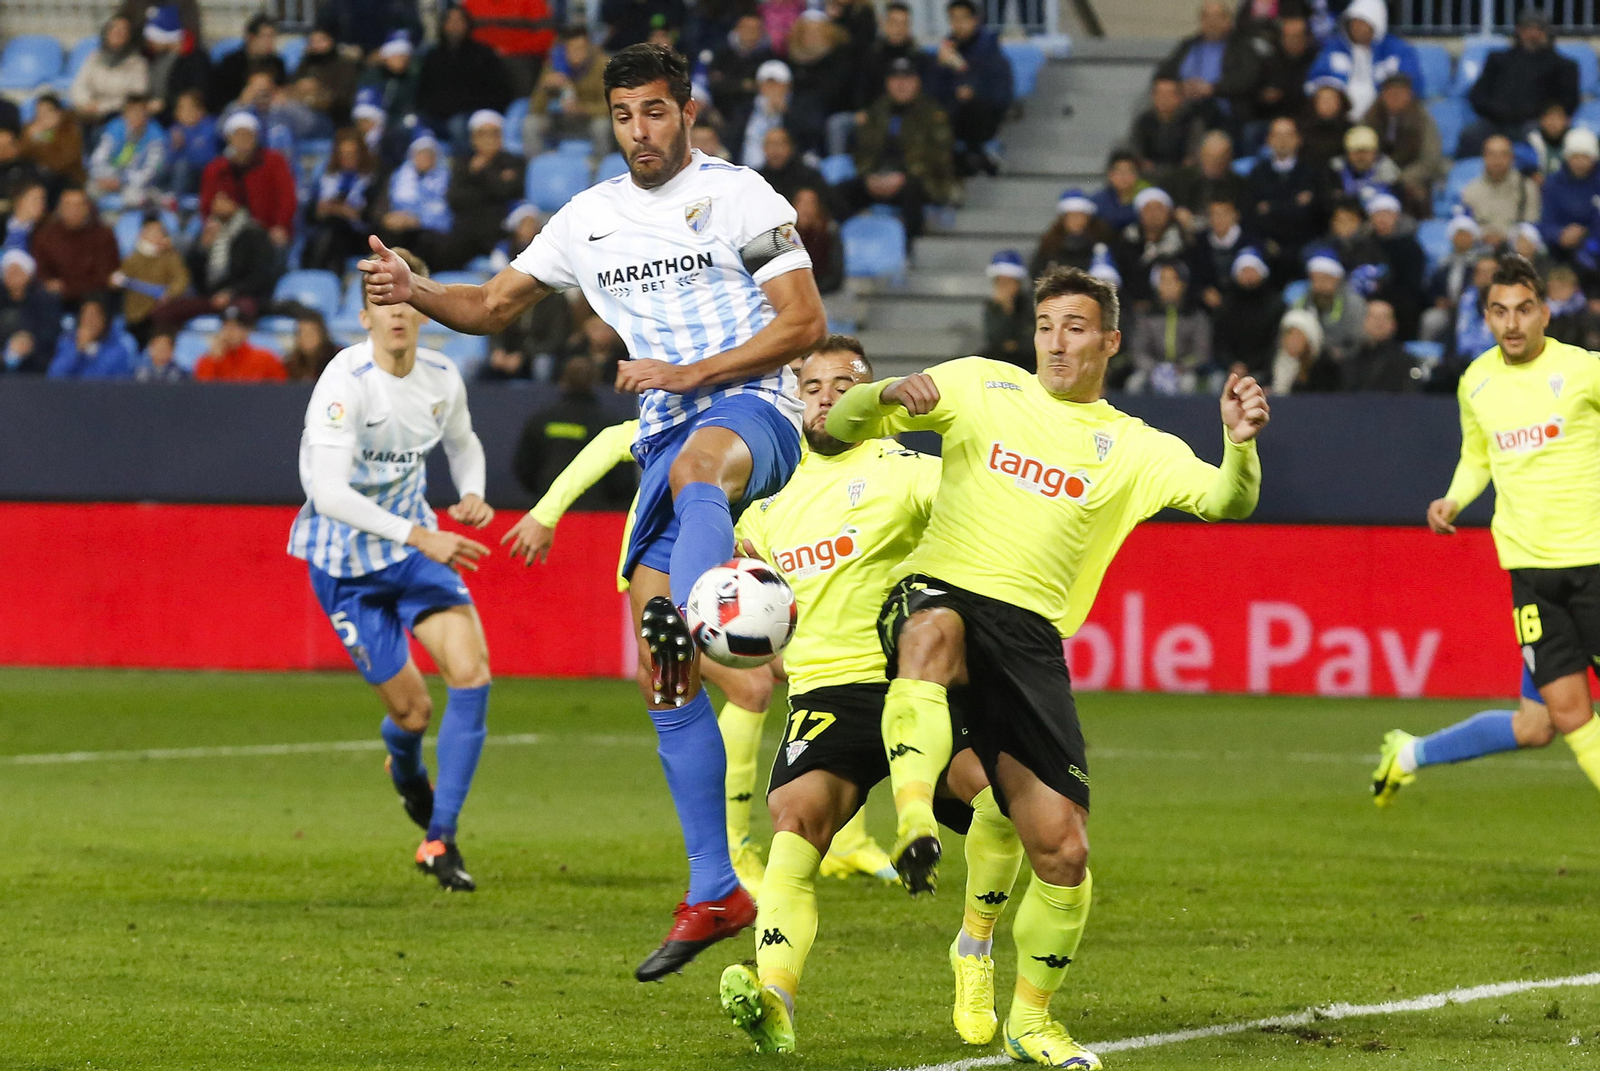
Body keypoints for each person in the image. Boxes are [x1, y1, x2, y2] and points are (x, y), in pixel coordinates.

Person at [364, 44, 826, 981]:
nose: (639, 131)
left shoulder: (741, 197)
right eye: (623, 115)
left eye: (655, 111)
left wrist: (688, 373)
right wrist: (418, 291)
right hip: (667, 437)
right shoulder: (588, 219)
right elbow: (493, 305)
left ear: (687, 112)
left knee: (699, 468)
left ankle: (715, 605)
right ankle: (714, 888)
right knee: (664, 673)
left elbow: (803, 324)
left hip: (753, 411)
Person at [823, 265, 1268, 1068]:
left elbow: (1227, 501)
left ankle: (1026, 1014)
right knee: (931, 633)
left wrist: (1239, 447)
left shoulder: (1134, 446)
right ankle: (914, 820)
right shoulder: (980, 385)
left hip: (1028, 643)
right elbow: (846, 423)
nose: (1057, 343)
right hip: (941, 588)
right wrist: (884, 392)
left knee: (1062, 850)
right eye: (1045, 326)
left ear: (1110, 341)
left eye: (1075, 327)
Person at [717, 338, 1024, 1055]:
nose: (825, 397)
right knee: (794, 824)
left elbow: (989, 511)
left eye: (843, 383)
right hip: (827, 691)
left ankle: (974, 945)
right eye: (812, 385)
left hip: (914, 683)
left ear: (869, 395)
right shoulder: (767, 497)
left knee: (999, 798)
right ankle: (775, 998)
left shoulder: (905, 470)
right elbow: (741, 585)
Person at [286, 244, 495, 890]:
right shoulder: (344, 383)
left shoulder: (442, 377)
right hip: (345, 565)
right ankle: (404, 768)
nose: (397, 311)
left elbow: (464, 442)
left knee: (472, 673)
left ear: (423, 309)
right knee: (413, 714)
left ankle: (440, 838)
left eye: (406, 298)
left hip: (412, 553)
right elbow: (328, 493)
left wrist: (472, 490)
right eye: (383, 300)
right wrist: (420, 534)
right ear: (365, 317)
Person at [1374, 254, 1600, 808]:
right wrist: (1454, 497)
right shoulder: (1476, 382)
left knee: (1537, 725)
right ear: (1486, 317)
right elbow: (1478, 455)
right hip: (1532, 574)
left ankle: (1409, 754)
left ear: (1544, 312)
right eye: (1500, 311)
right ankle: (1407, 754)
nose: (1512, 323)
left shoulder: (1584, 371)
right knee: (1555, 718)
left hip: (1593, 561)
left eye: (1524, 309)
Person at [842, 58, 956, 244]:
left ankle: (910, 245)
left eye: (907, 79)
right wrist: (869, 176)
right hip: (878, 178)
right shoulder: (877, 112)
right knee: (841, 191)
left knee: (912, 191)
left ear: (917, 82)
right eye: (895, 79)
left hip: (920, 180)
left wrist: (902, 177)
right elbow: (861, 150)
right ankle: (849, 243)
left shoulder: (933, 114)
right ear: (887, 83)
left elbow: (940, 158)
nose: (901, 85)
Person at [513, 356, 638, 506]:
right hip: (595, 509)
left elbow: (524, 466)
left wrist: (544, 493)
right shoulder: (608, 423)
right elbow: (622, 477)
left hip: (549, 505)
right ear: (594, 381)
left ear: (563, 380)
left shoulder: (542, 419)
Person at [1463, 8, 1579, 158]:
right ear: (1518, 31)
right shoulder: (1498, 60)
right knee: (1470, 135)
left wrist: (1543, 117)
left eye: (1539, 29)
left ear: (1547, 33)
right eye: (1527, 28)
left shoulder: (1563, 66)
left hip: (1535, 124)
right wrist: (1497, 112)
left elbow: (1567, 102)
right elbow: (1478, 95)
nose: (1533, 34)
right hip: (1495, 122)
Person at [156, 189, 278, 330]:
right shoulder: (209, 232)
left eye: (223, 200)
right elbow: (193, 276)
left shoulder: (254, 233)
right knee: (164, 311)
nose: (216, 205)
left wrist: (231, 293)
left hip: (243, 297)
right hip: (211, 298)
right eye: (215, 200)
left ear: (236, 203)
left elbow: (261, 276)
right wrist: (202, 248)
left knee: (242, 310)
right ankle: (166, 344)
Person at [1153, 0, 1266, 132]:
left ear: (1228, 20)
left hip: (1227, 112)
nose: (1212, 22)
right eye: (1207, 17)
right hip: (1185, 109)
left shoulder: (1242, 47)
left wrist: (1212, 88)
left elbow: (1248, 77)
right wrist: (1181, 87)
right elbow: (1164, 73)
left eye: (1217, 17)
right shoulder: (1188, 45)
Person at [928, 0, 1012, 177]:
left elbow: (1002, 95)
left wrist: (971, 87)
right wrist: (940, 67)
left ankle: (977, 154)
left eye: (963, 18)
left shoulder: (991, 53)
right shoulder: (945, 54)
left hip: (982, 119)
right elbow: (930, 93)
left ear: (975, 20)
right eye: (954, 19)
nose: (958, 24)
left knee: (972, 106)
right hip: (950, 119)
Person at [1304, 0, 1422, 121]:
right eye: (1354, 23)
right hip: (1341, 118)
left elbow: (1414, 85)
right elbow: (1315, 81)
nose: (1357, 28)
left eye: (1363, 23)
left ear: (1376, 24)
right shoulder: (1334, 48)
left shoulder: (1397, 50)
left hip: (1382, 118)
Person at [200, 112, 298, 251]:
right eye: (238, 135)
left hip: (267, 228)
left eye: (248, 135)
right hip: (230, 228)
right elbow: (208, 204)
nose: (243, 139)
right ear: (229, 138)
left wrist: (281, 225)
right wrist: (212, 220)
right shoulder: (216, 169)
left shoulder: (274, 162)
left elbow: (287, 197)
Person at [416, 5, 514, 140]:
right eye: (450, 21)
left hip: (473, 115)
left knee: (457, 125)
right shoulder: (433, 56)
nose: (455, 25)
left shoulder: (483, 54)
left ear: (467, 24)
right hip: (437, 116)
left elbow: (499, 93)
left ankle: (463, 155)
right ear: (443, 25)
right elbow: (423, 93)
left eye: (459, 21)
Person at [1248, 116, 1328, 277]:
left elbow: (1318, 213)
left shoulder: (1313, 172)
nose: (1283, 141)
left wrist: (1272, 207)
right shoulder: (1258, 173)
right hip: (1268, 245)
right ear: (1268, 140)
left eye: (1288, 135)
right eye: (1277, 135)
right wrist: (1296, 204)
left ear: (1298, 139)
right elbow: (1252, 214)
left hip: (1306, 244)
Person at [447, 112, 525, 268]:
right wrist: (491, 178)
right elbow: (454, 198)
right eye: (482, 134)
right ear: (473, 138)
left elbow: (507, 192)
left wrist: (482, 170)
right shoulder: (462, 163)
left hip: (499, 229)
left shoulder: (514, 162)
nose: (488, 139)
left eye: (494, 133)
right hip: (465, 231)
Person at [1361, 73, 1443, 219]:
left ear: (1409, 95)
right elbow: (1359, 146)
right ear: (1382, 95)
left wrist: (1400, 178)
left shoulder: (1422, 120)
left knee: (1416, 191)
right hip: (1373, 174)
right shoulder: (1370, 117)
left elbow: (1430, 159)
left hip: (1409, 175)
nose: (1395, 98)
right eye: (1390, 93)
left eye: (1400, 93)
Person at [525, 25, 611, 156]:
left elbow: (609, 106)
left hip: (589, 119)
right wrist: (545, 87)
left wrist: (583, 109)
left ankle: (601, 164)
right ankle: (537, 164)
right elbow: (534, 108)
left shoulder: (603, 65)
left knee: (601, 126)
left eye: (580, 49)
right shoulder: (554, 64)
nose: (575, 53)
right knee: (531, 124)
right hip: (561, 118)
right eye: (570, 49)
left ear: (589, 48)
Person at [1126, 260, 1211, 393]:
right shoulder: (1147, 315)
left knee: (1188, 384)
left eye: (1173, 280)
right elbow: (1138, 351)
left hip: (1185, 371)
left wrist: (1179, 368)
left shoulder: (1195, 316)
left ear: (1183, 284)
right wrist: (1156, 369)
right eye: (1163, 281)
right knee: (1134, 383)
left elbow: (1201, 353)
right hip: (1152, 370)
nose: (1168, 286)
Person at [29, 187, 120, 308]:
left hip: (93, 295)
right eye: (68, 205)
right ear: (60, 208)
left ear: (87, 208)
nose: (73, 210)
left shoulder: (104, 235)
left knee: (95, 303)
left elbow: (106, 276)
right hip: (57, 296)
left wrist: (69, 287)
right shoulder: (44, 236)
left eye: (78, 205)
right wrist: (48, 283)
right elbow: (40, 272)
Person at [304, 128, 377, 273]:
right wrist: (322, 209)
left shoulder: (373, 179)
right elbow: (309, 213)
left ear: (361, 154)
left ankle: (316, 272)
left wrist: (350, 213)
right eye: (343, 154)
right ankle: (316, 274)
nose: (347, 158)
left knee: (334, 228)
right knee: (328, 230)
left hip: (359, 236)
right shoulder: (326, 175)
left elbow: (373, 217)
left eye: (351, 154)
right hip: (326, 228)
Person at [377, 134, 454, 271]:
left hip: (432, 231)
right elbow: (382, 207)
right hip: (400, 228)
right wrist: (387, 217)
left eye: (429, 154)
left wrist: (417, 220)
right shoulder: (398, 177)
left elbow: (447, 214)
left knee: (424, 240)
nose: (424, 158)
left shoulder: (448, 180)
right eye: (420, 154)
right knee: (389, 237)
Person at [786, 10, 854, 160]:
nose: (812, 36)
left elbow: (837, 91)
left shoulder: (840, 58)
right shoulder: (791, 60)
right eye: (808, 32)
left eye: (817, 31)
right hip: (797, 110)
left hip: (830, 110)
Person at [111, 215, 189, 345]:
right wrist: (116, 280)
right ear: (142, 234)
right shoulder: (132, 258)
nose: (155, 236)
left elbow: (181, 279)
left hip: (160, 311)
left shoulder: (171, 257)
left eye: (158, 232)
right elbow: (117, 280)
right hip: (134, 313)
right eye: (150, 232)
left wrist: (170, 293)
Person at [1459, 134, 1542, 250]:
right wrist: (1483, 235)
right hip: (1481, 247)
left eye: (1503, 155)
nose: (1497, 160)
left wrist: (1506, 237)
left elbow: (1532, 224)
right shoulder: (1471, 190)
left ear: (1511, 158)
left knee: (1526, 243)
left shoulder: (1527, 187)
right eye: (1491, 154)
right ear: (1484, 157)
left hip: (1515, 247)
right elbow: (1466, 225)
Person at [459, 0, 556, 98]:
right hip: (480, 57)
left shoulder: (533, 2)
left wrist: (510, 50)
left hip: (521, 58)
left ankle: (522, 104)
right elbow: (460, 32)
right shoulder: (471, 3)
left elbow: (545, 37)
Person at [88, 94, 168, 209]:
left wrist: (122, 180)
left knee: (134, 199)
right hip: (109, 178)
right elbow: (98, 158)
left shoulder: (156, 135)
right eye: (131, 112)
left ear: (147, 114)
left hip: (137, 184)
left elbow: (151, 171)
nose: (135, 116)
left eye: (140, 112)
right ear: (125, 114)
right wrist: (105, 177)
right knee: (90, 191)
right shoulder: (115, 128)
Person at [1113, 186, 1188, 307]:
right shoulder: (1126, 242)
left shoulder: (1182, 242)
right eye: (1148, 209)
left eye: (1159, 208)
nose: (1153, 214)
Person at [72, 16, 151, 128]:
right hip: (90, 111)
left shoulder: (137, 64)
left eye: (123, 31)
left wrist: (102, 107)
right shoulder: (94, 58)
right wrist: (85, 102)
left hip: (118, 115)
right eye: (114, 29)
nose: (118, 33)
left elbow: (135, 97)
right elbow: (80, 85)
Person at [1367, 193, 1426, 341]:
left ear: (1396, 217)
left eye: (1387, 214)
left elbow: (1413, 282)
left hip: (1401, 300)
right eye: (1378, 214)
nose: (1382, 219)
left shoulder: (1410, 246)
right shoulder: (1363, 245)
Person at [1216, 247, 1283, 376]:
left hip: (1264, 369)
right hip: (1228, 368)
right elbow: (1220, 343)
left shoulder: (1275, 306)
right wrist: (1231, 364)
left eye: (1252, 271)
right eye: (1244, 271)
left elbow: (1274, 344)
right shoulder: (1226, 305)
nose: (1248, 276)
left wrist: (1250, 366)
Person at [1127, 77, 1203, 188]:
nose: (1164, 99)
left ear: (1180, 97)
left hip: (1182, 177)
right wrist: (1142, 162)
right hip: (1149, 175)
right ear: (1153, 96)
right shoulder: (1143, 121)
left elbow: (1193, 152)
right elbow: (1136, 149)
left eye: (1169, 94)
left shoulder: (1191, 122)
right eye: (1160, 94)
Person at [1422, 212, 1486, 342]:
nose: (1462, 239)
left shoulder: (1479, 263)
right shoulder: (1443, 263)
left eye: (1466, 235)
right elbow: (1431, 288)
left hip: (1472, 309)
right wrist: (1437, 300)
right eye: (1459, 235)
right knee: (1430, 320)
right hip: (1446, 309)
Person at [1538, 128, 1600, 261]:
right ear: (1567, 157)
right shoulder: (1553, 184)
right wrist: (1559, 234)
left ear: (1594, 158)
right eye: (1575, 156)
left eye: (1585, 157)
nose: (1580, 162)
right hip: (1558, 247)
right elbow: (1545, 222)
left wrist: (1584, 233)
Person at [207, 14, 286, 114]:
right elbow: (217, 101)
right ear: (251, 37)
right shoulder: (230, 63)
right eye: (266, 37)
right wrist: (242, 100)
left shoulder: (277, 63)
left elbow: (283, 90)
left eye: (273, 37)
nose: (270, 42)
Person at [1169, 130, 1245, 231]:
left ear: (1229, 158)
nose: (1214, 163)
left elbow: (1244, 216)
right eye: (1209, 157)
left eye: (1220, 158)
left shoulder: (1240, 185)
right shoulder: (1179, 179)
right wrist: (1176, 212)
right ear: (1200, 155)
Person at [142, 4, 210, 118]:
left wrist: (165, 104)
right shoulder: (153, 57)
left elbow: (196, 93)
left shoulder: (195, 59)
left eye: (153, 38)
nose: (149, 42)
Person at [0, 249, 61, 374]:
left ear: (29, 274)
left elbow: (50, 330)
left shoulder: (43, 299)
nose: (12, 275)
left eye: (17, 271)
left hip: (36, 360)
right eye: (8, 271)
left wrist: (30, 342)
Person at [46, 295, 136, 379]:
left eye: (94, 316)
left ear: (105, 319)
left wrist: (91, 354)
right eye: (85, 315)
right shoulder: (68, 340)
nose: (89, 321)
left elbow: (101, 379)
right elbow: (54, 375)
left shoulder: (120, 344)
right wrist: (77, 351)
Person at [1187, 194, 1251, 310]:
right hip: (1207, 307)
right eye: (1213, 214)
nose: (1218, 219)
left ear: (1235, 215)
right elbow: (1193, 276)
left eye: (1224, 214)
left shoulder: (1249, 241)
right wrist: (1203, 291)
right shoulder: (1199, 243)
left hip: (1244, 303)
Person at [1342, 299, 1415, 391]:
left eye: (1385, 317)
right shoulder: (1349, 356)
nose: (1379, 322)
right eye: (1373, 317)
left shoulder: (1405, 361)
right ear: (1362, 321)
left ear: (1394, 324)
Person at [294, 27, 361, 124]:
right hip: (304, 114)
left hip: (336, 115)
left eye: (320, 41)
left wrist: (319, 96)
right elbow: (294, 84)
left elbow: (343, 95)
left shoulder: (345, 65)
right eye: (313, 42)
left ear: (330, 41)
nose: (316, 45)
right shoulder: (305, 64)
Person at [20, 95, 87, 191]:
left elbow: (63, 162)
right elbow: (21, 154)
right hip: (37, 180)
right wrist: (29, 137)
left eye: (47, 112)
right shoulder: (31, 130)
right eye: (39, 113)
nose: (42, 117)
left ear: (58, 113)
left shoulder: (69, 130)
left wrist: (46, 139)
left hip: (67, 180)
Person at [1256, 14, 1315, 124]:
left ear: (1307, 38)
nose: (1291, 41)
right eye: (1287, 37)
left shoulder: (1316, 59)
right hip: (1273, 117)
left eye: (1296, 37)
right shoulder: (1271, 60)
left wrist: (1284, 92)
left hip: (1306, 119)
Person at [1030, 188, 1100, 278]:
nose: (1076, 221)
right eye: (1071, 216)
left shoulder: (1100, 240)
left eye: (1080, 216)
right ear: (1063, 219)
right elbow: (1037, 273)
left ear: (1088, 218)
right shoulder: (1050, 244)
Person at [981, 250, 1033, 368]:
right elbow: (994, 340)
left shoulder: (1030, 305)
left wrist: (1016, 345)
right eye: (1000, 282)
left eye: (1008, 282)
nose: (1004, 287)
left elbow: (1030, 343)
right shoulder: (993, 306)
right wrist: (1005, 310)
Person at [739, 60, 793, 170]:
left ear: (787, 86)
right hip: (747, 169)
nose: (772, 88)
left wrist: (785, 112)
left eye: (777, 84)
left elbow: (806, 135)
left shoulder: (799, 107)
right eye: (767, 84)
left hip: (784, 169)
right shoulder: (746, 109)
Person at [1270, 305, 1335, 393]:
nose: (1291, 340)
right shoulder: (1271, 362)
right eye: (1289, 334)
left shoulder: (1325, 369)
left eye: (1298, 336)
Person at [363, 31, 423, 127]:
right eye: (398, 55)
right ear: (386, 56)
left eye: (405, 56)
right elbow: (363, 109)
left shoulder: (411, 81)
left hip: (397, 126)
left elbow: (408, 109)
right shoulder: (372, 77)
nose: (402, 60)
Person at [757, 127, 827, 207]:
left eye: (780, 144)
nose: (775, 150)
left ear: (791, 147)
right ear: (764, 148)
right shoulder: (757, 179)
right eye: (770, 145)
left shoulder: (809, 177)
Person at [166, 88, 217, 196]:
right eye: (181, 108)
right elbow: (167, 164)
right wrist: (175, 148)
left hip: (203, 177)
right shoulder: (175, 130)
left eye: (189, 108)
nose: (185, 113)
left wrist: (185, 147)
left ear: (200, 110)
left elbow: (208, 159)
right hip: (179, 179)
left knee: (182, 166)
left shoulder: (210, 127)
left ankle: (175, 199)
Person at [792, 187, 843, 296]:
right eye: (801, 203)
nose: (806, 208)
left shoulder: (829, 233)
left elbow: (835, 275)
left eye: (811, 203)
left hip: (824, 294)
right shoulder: (784, 236)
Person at [1329, 125, 1398, 205]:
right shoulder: (1335, 170)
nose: (1361, 157)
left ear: (1375, 153)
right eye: (1356, 152)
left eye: (1366, 152)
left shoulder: (1389, 173)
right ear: (1347, 153)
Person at [1091, 151, 1146, 235]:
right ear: (1110, 175)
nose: (1124, 177)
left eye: (1129, 171)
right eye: (1119, 172)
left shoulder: (1146, 200)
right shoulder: (1097, 202)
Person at [284, 312, 339, 381]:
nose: (306, 337)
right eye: (301, 332)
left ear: (322, 334)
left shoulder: (337, 360)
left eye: (311, 332)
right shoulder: (290, 365)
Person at [1526, 101, 1573, 180]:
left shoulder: (1575, 141)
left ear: (1567, 121)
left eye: (1558, 118)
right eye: (1550, 118)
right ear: (1542, 120)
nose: (1553, 123)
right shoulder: (1531, 142)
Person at [3, 181, 48, 255]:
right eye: (35, 199)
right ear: (19, 200)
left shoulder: (45, 232)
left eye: (42, 200)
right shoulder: (3, 222)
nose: (40, 204)